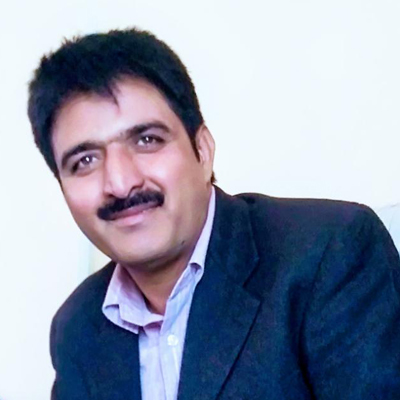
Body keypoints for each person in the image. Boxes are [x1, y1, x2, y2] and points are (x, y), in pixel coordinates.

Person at [28, 28, 400, 400]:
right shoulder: (77, 327)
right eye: (84, 161)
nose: (121, 183)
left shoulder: (329, 255)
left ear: (203, 151)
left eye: (147, 140)